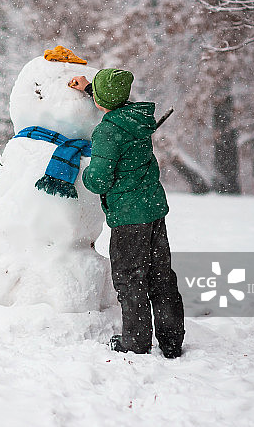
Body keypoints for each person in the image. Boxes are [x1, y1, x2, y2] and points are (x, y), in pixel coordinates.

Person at [70, 69, 185, 359]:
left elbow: (98, 180)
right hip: (153, 210)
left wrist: (83, 174)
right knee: (161, 276)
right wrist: (90, 89)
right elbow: (112, 102)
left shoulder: (108, 130)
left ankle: (135, 341)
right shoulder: (137, 119)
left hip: (129, 217)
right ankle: (171, 341)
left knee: (130, 278)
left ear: (101, 100)